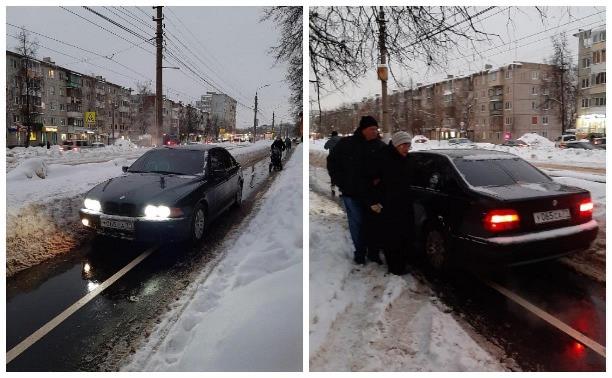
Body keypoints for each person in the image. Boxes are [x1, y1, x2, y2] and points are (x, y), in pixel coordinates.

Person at [327, 115, 385, 265]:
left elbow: (387, 166)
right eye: (372, 129)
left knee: (374, 224)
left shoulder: (379, 146)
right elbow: (332, 162)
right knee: (357, 224)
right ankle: (359, 253)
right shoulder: (347, 144)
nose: (375, 132)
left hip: (373, 195)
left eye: (376, 129)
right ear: (363, 129)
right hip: (351, 193)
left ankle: (373, 252)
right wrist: (340, 181)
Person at [368, 131, 413, 275]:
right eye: (404, 145)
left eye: (409, 145)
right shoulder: (385, 159)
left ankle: (402, 264)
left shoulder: (407, 159)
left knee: (404, 236)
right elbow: (373, 182)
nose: (407, 148)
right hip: (388, 205)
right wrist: (375, 201)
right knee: (392, 238)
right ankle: (395, 268)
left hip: (404, 204)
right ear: (396, 145)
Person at [324, 131, 342, 196]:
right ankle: (340, 190)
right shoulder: (342, 140)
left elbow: (325, 147)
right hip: (341, 159)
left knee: (333, 173)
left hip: (332, 160)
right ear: (337, 134)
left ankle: (333, 188)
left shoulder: (330, 140)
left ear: (332, 135)